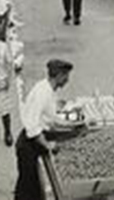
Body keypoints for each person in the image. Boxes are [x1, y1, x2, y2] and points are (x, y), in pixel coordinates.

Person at [15, 59, 73, 200]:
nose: (67, 80)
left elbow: (49, 114)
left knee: (32, 185)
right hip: (28, 145)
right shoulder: (43, 92)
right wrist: (48, 146)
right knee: (28, 186)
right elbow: (33, 128)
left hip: (35, 141)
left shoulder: (48, 89)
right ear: (58, 75)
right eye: (66, 76)